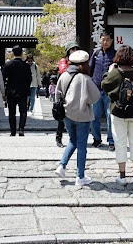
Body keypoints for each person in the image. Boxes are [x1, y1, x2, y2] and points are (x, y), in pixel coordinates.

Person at [54, 50, 101, 187]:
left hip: (67, 114)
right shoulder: (85, 79)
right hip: (83, 115)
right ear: (84, 64)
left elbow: (57, 95)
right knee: (81, 146)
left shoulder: (64, 76)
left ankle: (62, 166)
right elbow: (95, 97)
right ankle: (80, 176)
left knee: (72, 141)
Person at [102, 45, 133, 186]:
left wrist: (108, 72)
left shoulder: (115, 72)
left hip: (118, 112)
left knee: (120, 143)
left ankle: (122, 176)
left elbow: (104, 84)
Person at [88, 32, 116, 151]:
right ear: (100, 40)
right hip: (96, 90)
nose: (105, 42)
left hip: (109, 91)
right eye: (103, 40)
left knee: (110, 116)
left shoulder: (115, 55)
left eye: (107, 40)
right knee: (94, 116)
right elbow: (90, 69)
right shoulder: (96, 53)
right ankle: (97, 139)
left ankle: (111, 141)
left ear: (112, 41)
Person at [2, 45, 32, 136]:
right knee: (23, 111)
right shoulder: (26, 66)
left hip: (11, 91)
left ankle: (12, 131)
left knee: (12, 112)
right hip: (23, 91)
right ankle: (21, 129)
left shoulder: (8, 65)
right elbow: (29, 79)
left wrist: (4, 91)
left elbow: (3, 78)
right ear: (22, 53)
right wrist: (26, 87)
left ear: (12, 53)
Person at [54, 41, 79, 147]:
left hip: (76, 89)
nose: (74, 51)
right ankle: (58, 137)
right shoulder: (64, 61)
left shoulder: (79, 61)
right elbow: (64, 71)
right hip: (65, 90)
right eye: (72, 49)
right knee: (62, 116)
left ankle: (74, 138)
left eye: (76, 49)